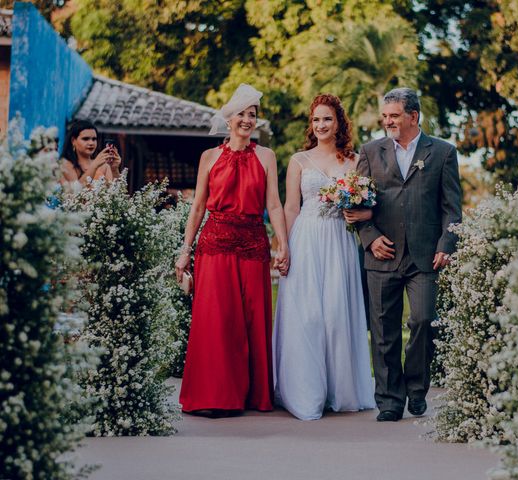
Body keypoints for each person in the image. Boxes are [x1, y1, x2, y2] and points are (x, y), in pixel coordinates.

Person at [346, 87, 462, 422]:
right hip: (382, 253)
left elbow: (451, 208)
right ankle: (390, 401)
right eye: (385, 116)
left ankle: (416, 389)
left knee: (424, 320)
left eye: (394, 115)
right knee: (383, 330)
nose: (388, 121)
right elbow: (355, 204)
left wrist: (446, 245)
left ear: (413, 116)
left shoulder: (442, 152)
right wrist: (370, 239)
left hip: (425, 255)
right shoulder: (370, 152)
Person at [175, 84, 289, 416]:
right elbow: (197, 208)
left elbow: (275, 206)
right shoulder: (208, 158)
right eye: (241, 113)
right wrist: (186, 251)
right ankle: (214, 396)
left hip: (254, 244)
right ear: (228, 118)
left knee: (252, 320)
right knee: (216, 320)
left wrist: (284, 244)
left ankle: (251, 394)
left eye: (252, 114)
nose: (247, 119)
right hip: (214, 245)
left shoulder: (266, 156)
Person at [273, 93, 375, 420]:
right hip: (305, 237)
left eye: (327, 119)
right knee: (308, 316)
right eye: (316, 119)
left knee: (335, 314)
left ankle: (340, 391)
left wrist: (361, 214)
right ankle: (305, 390)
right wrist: (283, 246)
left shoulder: (355, 161)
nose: (321, 125)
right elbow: (290, 207)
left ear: (338, 122)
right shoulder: (299, 161)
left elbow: (367, 204)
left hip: (339, 241)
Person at [60, 120, 121, 187]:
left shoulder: (104, 166)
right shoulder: (65, 164)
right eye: (85, 139)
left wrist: (115, 170)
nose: (91, 143)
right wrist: (94, 165)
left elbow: (116, 194)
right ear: (73, 141)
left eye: (94, 139)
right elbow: (76, 192)